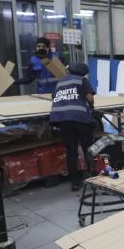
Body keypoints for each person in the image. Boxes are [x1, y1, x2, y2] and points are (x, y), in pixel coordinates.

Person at [49, 62, 97, 190]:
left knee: (71, 152)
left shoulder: (60, 82)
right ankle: (93, 179)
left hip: (63, 120)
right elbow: (90, 98)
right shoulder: (82, 80)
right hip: (80, 119)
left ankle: (75, 183)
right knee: (89, 149)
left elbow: (54, 98)